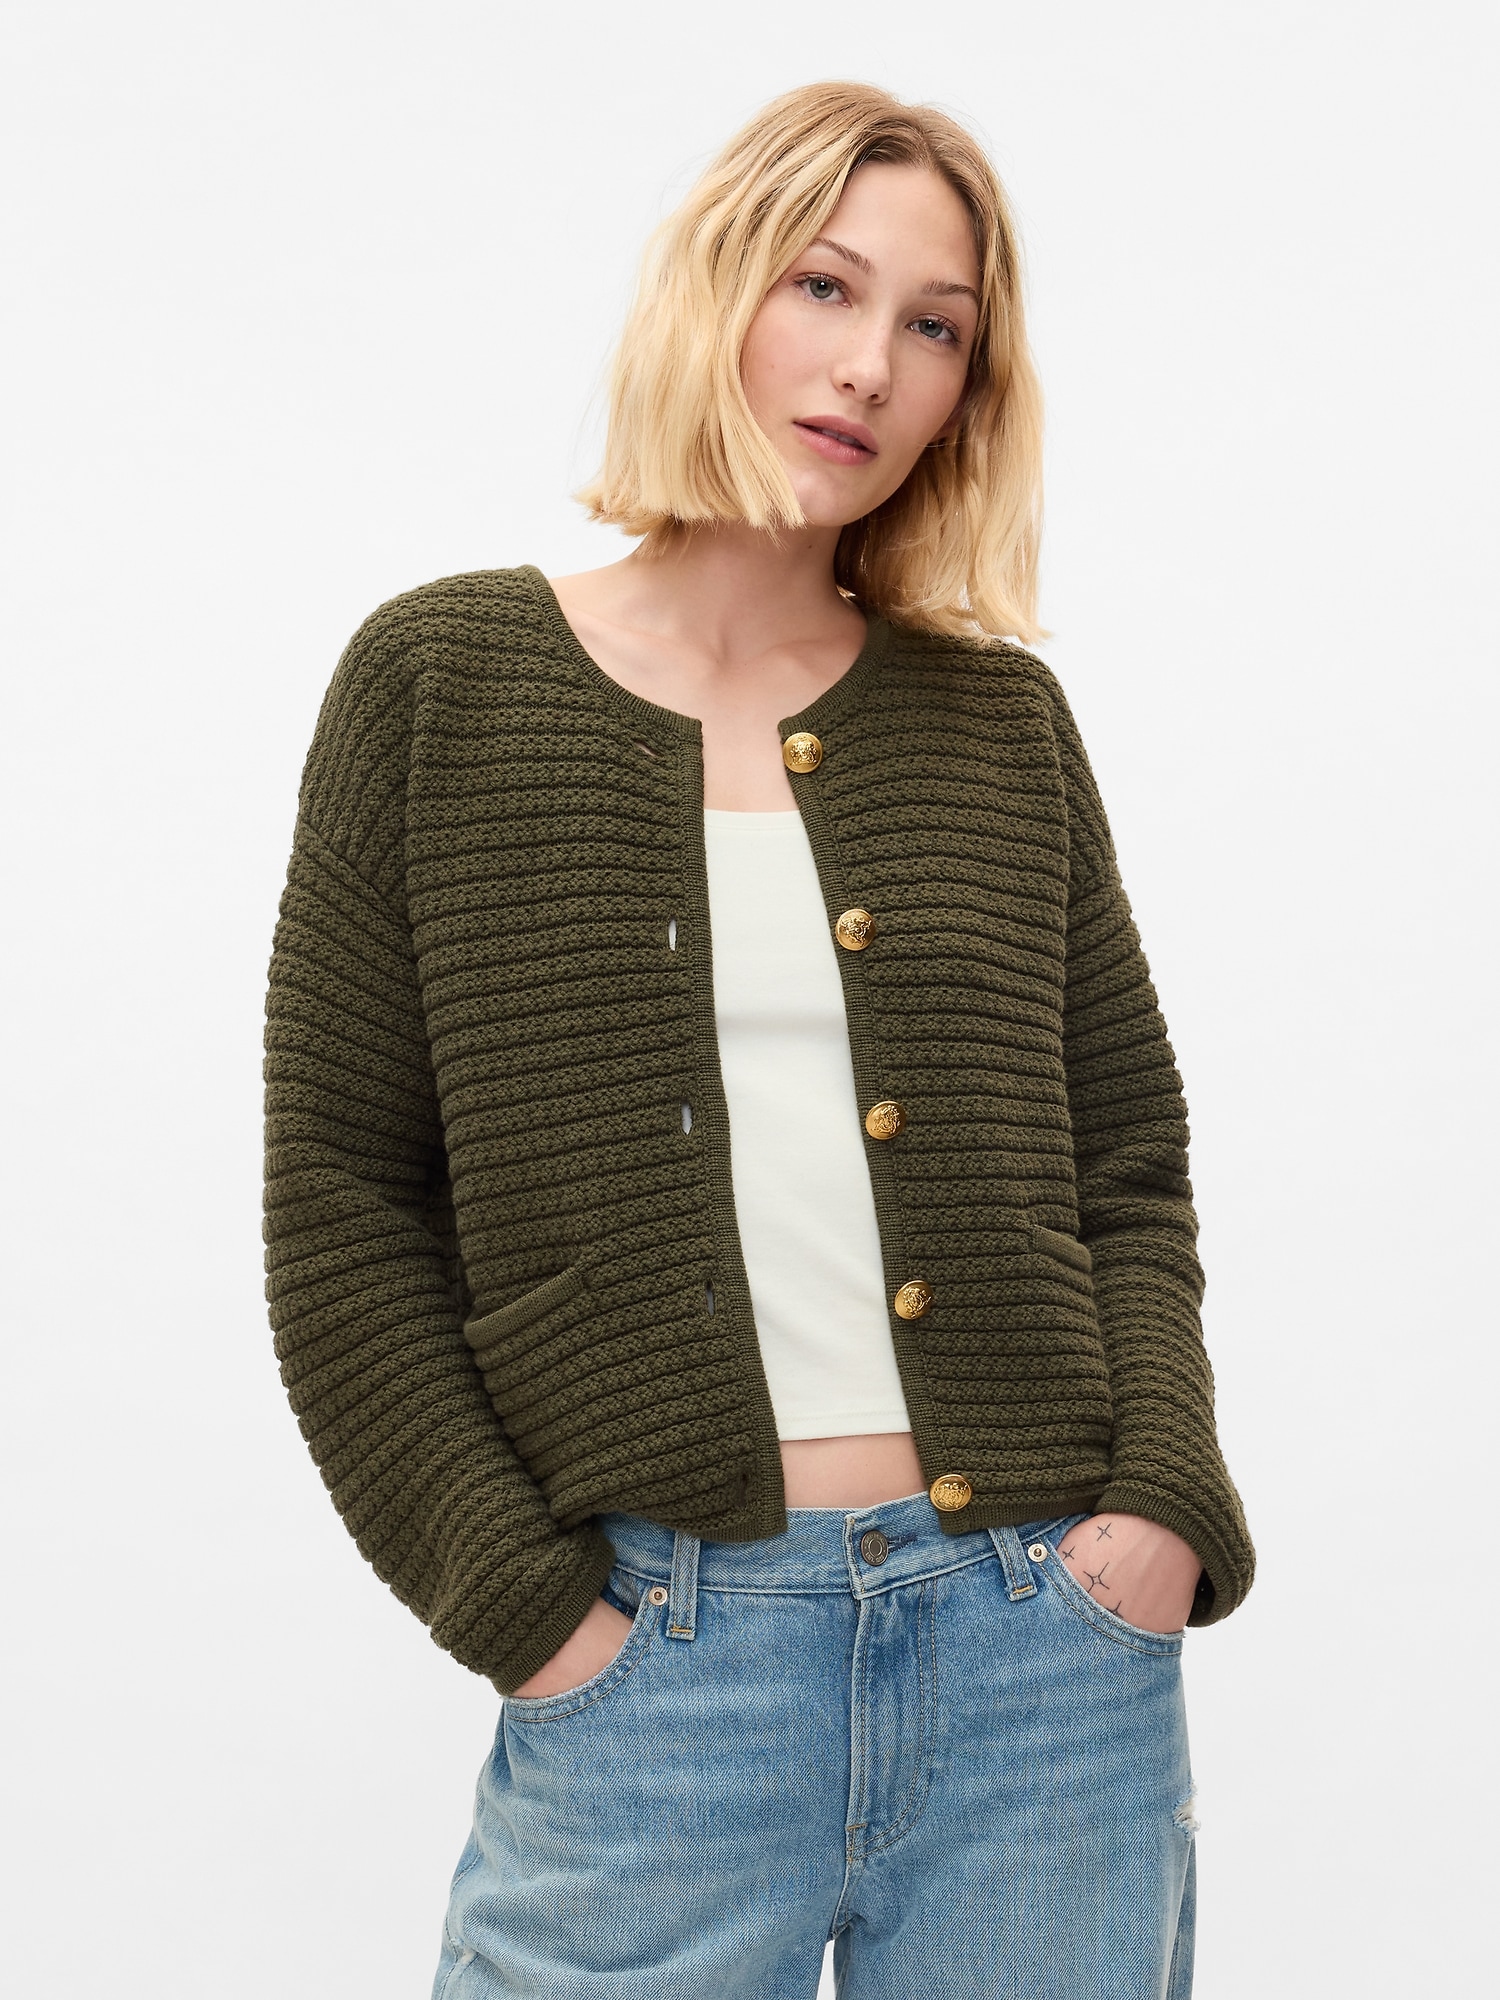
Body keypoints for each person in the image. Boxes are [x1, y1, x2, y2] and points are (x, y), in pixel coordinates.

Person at [263, 79, 1253, 2000]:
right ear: (717, 288)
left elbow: (1128, 1171)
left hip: (1046, 1668)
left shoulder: (1001, 728)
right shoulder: (444, 682)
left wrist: (1158, 1514)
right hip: (661, 1669)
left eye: (936, 326)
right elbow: (346, 1209)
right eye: (826, 286)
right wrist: (532, 1616)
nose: (872, 363)